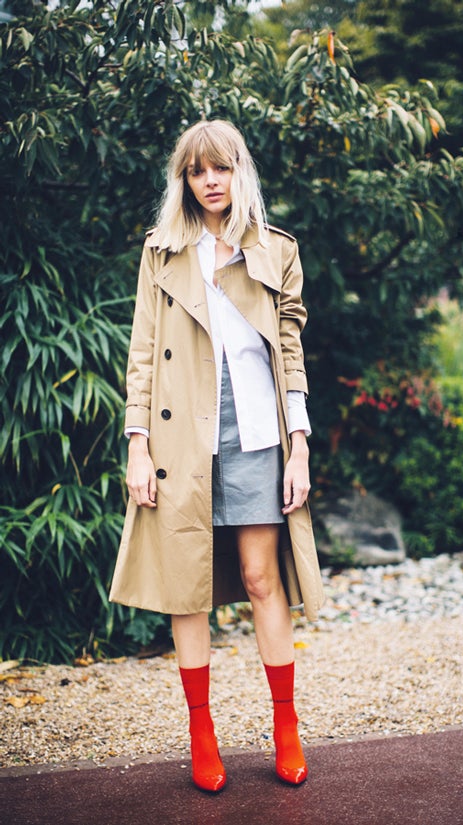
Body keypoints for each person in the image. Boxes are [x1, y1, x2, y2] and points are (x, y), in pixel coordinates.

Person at [109, 119, 324, 793]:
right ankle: (203, 732)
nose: (209, 180)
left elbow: (289, 353)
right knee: (187, 587)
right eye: (197, 170)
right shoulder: (161, 252)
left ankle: (285, 724)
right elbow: (143, 353)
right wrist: (136, 446)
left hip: (257, 431)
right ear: (184, 180)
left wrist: (300, 446)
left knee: (263, 578)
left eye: (221, 167)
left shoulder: (274, 251)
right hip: (179, 439)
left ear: (240, 172)